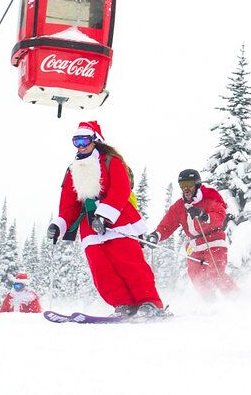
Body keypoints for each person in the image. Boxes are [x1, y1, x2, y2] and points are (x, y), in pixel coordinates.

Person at [49, 120, 165, 317]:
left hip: (117, 222)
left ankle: (149, 302)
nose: (81, 145)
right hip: (89, 227)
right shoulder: (72, 169)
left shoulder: (111, 161)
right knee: (102, 271)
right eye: (76, 141)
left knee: (130, 264)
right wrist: (59, 225)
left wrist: (104, 216)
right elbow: (69, 203)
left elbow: (120, 190)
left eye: (84, 140)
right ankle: (124, 304)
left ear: (95, 140)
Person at [152, 168, 238, 298]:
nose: (186, 188)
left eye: (189, 185)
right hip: (195, 246)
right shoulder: (180, 206)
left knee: (215, 273)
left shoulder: (209, 198)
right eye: (182, 185)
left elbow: (220, 216)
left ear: (197, 184)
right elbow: (168, 224)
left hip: (213, 241)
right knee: (196, 275)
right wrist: (156, 235)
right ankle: (210, 302)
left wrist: (204, 216)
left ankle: (236, 298)